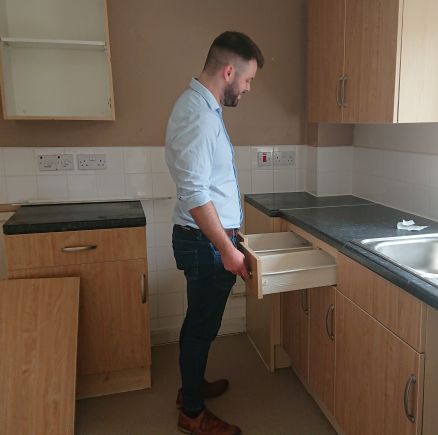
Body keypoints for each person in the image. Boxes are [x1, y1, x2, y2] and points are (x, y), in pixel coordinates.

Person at [165, 31, 264, 435]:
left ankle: (192, 387)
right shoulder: (199, 116)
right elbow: (195, 194)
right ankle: (191, 411)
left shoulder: (202, 108)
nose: (248, 88)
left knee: (200, 325)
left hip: (206, 240)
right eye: (247, 79)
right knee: (200, 328)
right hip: (205, 242)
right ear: (228, 71)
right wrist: (226, 248)